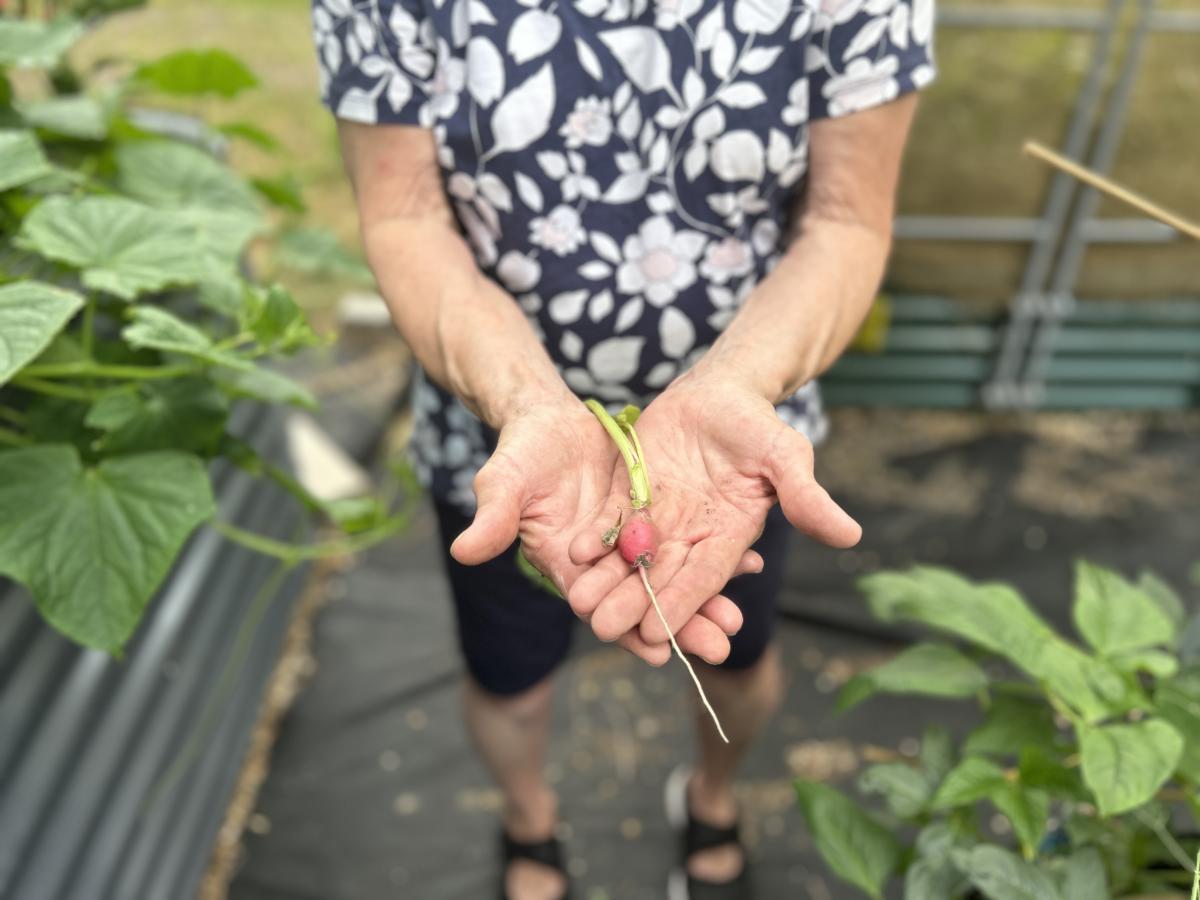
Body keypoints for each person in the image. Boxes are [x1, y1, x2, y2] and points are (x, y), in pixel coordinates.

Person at [313, 1, 934, 897]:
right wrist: (525, 397)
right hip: (506, 450)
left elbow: (846, 221)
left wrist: (732, 387)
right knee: (510, 677)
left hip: (735, 457)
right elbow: (404, 213)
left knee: (738, 658)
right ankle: (531, 821)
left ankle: (712, 793)